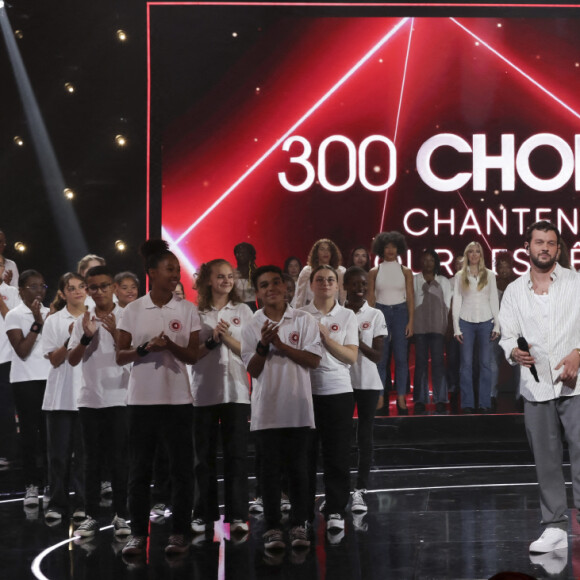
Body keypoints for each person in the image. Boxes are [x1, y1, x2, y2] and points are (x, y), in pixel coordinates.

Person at [498, 220, 580, 554]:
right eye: (538, 242)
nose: (544, 247)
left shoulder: (576, 283)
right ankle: (555, 526)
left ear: (558, 249)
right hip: (536, 388)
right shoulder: (515, 291)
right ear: (527, 247)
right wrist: (513, 352)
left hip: (576, 385)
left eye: (550, 243)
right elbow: (507, 335)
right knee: (545, 460)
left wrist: (579, 353)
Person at [117, 240, 200, 556]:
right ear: (151, 273)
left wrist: (169, 346)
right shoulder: (133, 310)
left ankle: (178, 533)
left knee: (181, 471)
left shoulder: (187, 309)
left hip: (179, 401)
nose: (175, 274)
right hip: (141, 403)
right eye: (169, 269)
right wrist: (145, 348)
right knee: (139, 471)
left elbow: (192, 356)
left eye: (177, 269)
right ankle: (138, 534)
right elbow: (121, 355)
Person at [241, 265, 321, 550]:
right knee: (270, 474)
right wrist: (264, 344)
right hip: (267, 412)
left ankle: (299, 524)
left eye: (276, 282)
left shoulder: (303, 320)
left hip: (299, 409)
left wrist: (282, 345)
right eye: (264, 285)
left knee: (300, 471)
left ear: (286, 286)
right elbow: (253, 368)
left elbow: (313, 360)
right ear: (258, 292)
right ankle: (273, 527)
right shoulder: (251, 325)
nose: (271, 288)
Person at [190, 259, 252, 536]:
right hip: (203, 392)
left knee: (236, 456)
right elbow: (191, 355)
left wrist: (226, 338)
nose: (226, 281)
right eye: (220, 276)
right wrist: (213, 341)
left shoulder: (244, 311)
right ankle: (203, 513)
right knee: (203, 458)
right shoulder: (195, 312)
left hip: (237, 392)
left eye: (230, 276)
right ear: (207, 280)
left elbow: (250, 351)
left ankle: (238, 514)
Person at [68, 266, 131, 539]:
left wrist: (117, 332)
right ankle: (91, 515)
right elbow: (71, 359)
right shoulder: (85, 318)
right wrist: (86, 337)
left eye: (104, 286)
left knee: (120, 461)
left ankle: (122, 515)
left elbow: (133, 355)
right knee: (91, 461)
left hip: (122, 397)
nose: (99, 291)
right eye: (93, 287)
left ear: (113, 287)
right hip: (90, 398)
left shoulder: (129, 316)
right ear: (87, 290)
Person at [301, 264, 358, 534]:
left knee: (337, 455)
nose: (325, 284)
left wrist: (325, 339)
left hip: (338, 392)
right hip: (305, 393)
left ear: (338, 286)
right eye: (320, 280)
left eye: (331, 280)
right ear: (311, 284)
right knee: (305, 456)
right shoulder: (299, 315)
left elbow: (351, 356)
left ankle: (335, 509)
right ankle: (303, 513)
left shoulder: (347, 316)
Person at [42, 273, 87, 522]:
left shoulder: (96, 318)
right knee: (58, 455)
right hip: (60, 396)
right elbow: (55, 359)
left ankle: (82, 503)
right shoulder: (54, 320)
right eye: (72, 288)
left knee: (85, 455)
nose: (78, 291)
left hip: (89, 397)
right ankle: (57, 503)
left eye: (82, 287)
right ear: (63, 293)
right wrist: (72, 337)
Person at [343, 267, 387, 513]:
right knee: (341, 437)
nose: (359, 288)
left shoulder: (376, 314)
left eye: (363, 284)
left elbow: (378, 356)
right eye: (354, 284)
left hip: (368, 384)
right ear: (346, 286)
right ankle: (339, 489)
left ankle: (360, 488)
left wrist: (356, 341)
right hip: (342, 383)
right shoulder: (337, 313)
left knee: (365, 437)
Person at [5, 270, 50, 507]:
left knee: (49, 434)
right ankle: (31, 484)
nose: (39, 291)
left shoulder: (51, 312)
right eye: (33, 286)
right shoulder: (14, 315)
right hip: (25, 381)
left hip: (50, 379)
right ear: (21, 290)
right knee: (30, 435)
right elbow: (22, 351)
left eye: (42, 286)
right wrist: (36, 324)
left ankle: (50, 484)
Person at [368, 231, 414, 415]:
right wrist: (370, 323)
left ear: (399, 248)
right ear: (381, 249)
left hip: (401, 312)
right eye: (387, 246)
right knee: (381, 359)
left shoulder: (406, 271)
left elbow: (410, 297)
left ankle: (401, 397)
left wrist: (411, 321)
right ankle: (380, 397)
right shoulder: (374, 271)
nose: (390, 250)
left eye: (393, 246)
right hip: (380, 313)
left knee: (402, 359)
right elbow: (371, 299)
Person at [452, 242, 500, 414]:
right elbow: (457, 301)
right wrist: (456, 327)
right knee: (466, 364)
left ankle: (484, 402)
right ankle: (467, 404)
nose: (474, 254)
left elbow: (493, 299)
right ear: (467, 255)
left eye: (477, 252)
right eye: (470, 251)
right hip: (466, 321)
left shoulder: (489, 275)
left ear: (481, 255)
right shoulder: (460, 275)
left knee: (485, 364)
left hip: (486, 321)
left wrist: (497, 324)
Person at [413, 250, 452, 415]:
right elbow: (410, 302)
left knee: (438, 364)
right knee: (420, 364)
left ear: (436, 262)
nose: (428, 263)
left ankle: (440, 399)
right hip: (419, 327)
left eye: (431, 260)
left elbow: (449, 305)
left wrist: (448, 327)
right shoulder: (415, 280)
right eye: (425, 260)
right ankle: (420, 400)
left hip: (438, 327)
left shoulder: (443, 280)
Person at [0, 256, 20, 468]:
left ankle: (8, 453)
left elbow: (15, 323)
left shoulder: (13, 293)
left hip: (6, 357)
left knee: (5, 409)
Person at [294, 239, 346, 308]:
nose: (326, 252)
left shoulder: (340, 272)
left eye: (328, 249)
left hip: (333, 311)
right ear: (316, 253)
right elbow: (300, 297)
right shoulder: (307, 271)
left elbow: (343, 297)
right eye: (322, 249)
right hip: (311, 311)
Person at [233, 242, 258, 311]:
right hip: (235, 309)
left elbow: (261, 298)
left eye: (243, 253)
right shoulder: (231, 274)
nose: (240, 255)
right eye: (238, 253)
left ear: (250, 255)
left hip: (251, 309)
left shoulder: (257, 274)